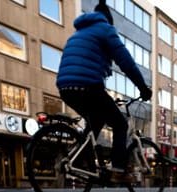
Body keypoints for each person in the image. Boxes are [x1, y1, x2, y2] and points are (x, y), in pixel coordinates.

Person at [56, 0, 152, 182]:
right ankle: (118, 169)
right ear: (108, 20)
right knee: (120, 125)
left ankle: (75, 160)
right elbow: (126, 62)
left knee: (96, 121)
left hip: (65, 87)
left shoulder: (77, 34)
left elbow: (80, 63)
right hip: (88, 86)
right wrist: (142, 87)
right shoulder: (105, 29)